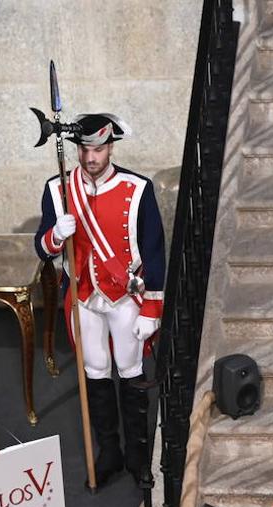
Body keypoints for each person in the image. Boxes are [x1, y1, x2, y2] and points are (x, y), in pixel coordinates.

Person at [34, 112, 166, 486]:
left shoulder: (136, 188)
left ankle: (139, 457)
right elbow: (41, 249)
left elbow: (155, 252)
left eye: (98, 148)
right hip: (83, 297)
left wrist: (152, 309)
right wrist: (57, 235)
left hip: (125, 297)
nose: (90, 157)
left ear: (111, 147)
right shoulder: (58, 190)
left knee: (130, 371)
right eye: (84, 149)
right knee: (95, 373)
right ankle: (109, 452)